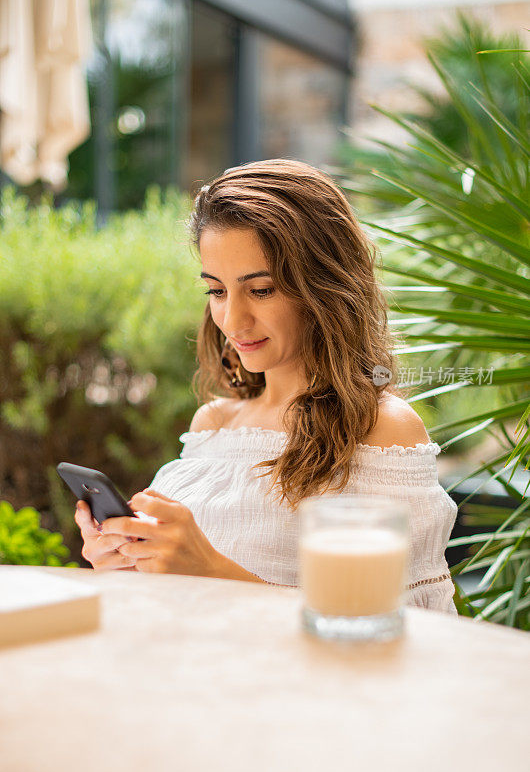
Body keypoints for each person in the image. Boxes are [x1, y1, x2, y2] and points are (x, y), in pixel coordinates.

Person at [75, 159, 458, 613]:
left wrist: (211, 570)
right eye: (217, 291)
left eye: (261, 290)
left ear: (325, 288)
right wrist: (125, 565)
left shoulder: (382, 431)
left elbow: (401, 624)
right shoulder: (212, 424)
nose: (232, 321)